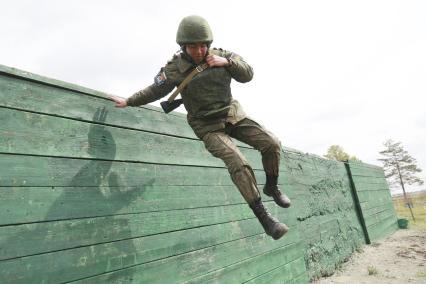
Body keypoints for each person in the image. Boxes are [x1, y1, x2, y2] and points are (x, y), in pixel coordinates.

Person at [109, 15, 291, 240]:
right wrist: (129, 100)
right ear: (183, 46)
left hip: (231, 114)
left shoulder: (223, 56)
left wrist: (229, 63)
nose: (198, 50)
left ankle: (272, 187)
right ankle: (265, 219)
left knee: (272, 143)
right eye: (192, 46)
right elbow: (153, 91)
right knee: (237, 162)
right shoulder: (174, 69)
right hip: (207, 126)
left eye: (203, 45)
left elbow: (248, 73)